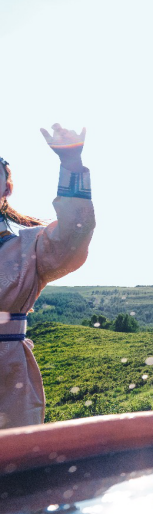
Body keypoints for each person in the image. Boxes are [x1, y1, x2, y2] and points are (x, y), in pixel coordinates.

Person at [0, 125, 95, 429]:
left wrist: (71, 165)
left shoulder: (29, 246)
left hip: (7, 377)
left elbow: (72, 237)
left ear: (6, 188)